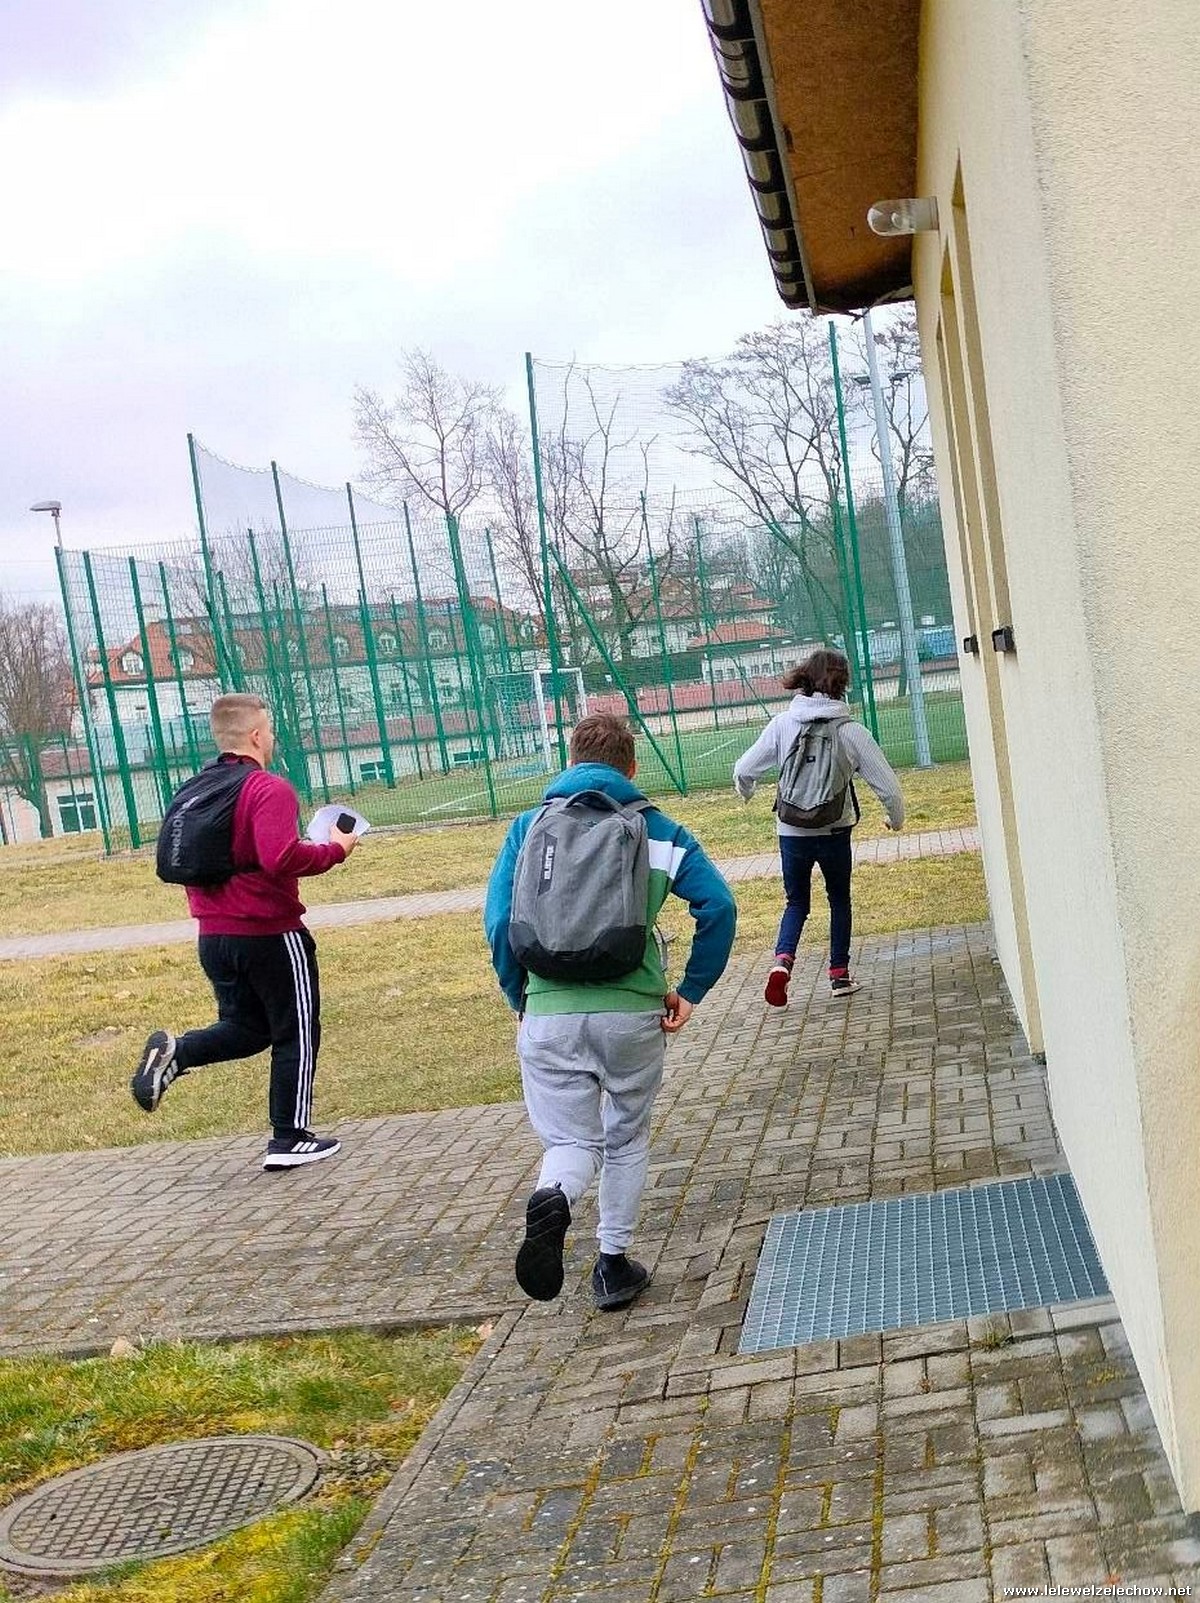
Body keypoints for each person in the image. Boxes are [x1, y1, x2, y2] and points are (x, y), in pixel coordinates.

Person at [485, 712, 736, 1312]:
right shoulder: (661, 831)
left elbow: (498, 923)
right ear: (632, 767)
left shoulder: (527, 828)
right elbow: (719, 907)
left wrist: (521, 997)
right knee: (624, 1139)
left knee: (571, 1140)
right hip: (632, 1015)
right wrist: (692, 988)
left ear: (570, 761)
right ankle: (612, 1263)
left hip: (549, 1014)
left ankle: (554, 1194)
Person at [130, 693, 359, 1170]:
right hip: (270, 932)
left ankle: (178, 1052)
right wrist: (335, 850)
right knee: (297, 1030)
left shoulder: (197, 788)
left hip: (213, 936)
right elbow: (280, 857)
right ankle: (290, 1138)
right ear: (256, 735)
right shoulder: (268, 788)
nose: (271, 738)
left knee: (249, 1029)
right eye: (269, 730)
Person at [733, 648, 904, 1005]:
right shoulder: (851, 731)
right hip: (835, 831)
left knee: (796, 902)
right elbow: (888, 787)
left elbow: (744, 769)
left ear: (804, 678)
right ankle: (839, 975)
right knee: (839, 899)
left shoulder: (782, 724)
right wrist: (895, 819)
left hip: (791, 831)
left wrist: (746, 793)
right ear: (843, 683)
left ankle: (782, 962)